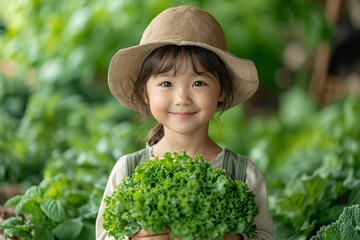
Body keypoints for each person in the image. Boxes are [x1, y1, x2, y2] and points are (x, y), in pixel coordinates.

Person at [96, 5, 275, 240]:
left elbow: (265, 236)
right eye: (166, 84)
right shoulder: (126, 171)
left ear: (221, 91)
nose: (182, 98)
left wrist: (233, 238)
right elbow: (104, 235)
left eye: (199, 83)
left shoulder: (244, 175)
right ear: (145, 94)